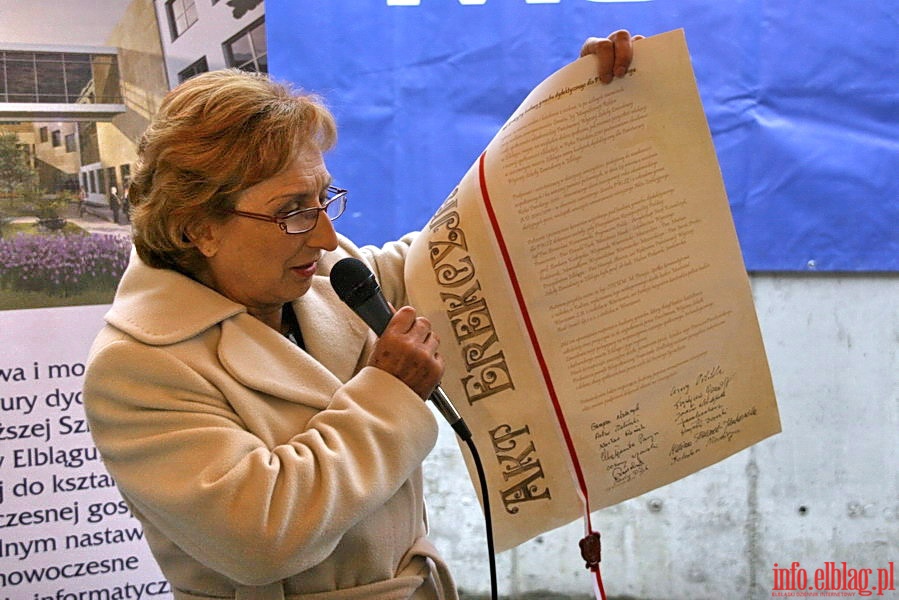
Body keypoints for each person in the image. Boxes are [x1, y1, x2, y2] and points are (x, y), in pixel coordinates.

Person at [82, 30, 639, 600]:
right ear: (195, 227)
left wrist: (580, 115)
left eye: (323, 198)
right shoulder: (136, 367)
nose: (325, 235)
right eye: (293, 211)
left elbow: (476, 248)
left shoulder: (326, 275)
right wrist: (389, 392)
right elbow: (261, 535)